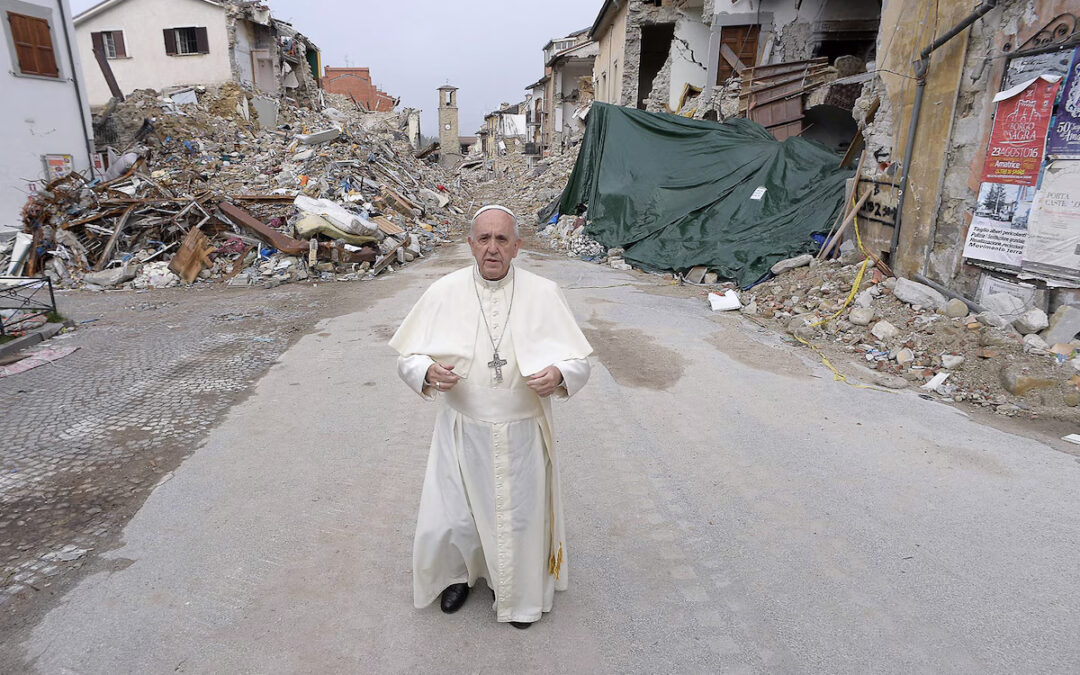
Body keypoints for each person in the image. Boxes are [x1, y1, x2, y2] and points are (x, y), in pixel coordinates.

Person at [389, 205, 592, 629]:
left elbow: (580, 362)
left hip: (523, 431)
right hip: (462, 427)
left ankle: (516, 594)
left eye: (502, 239)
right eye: (484, 239)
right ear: (470, 244)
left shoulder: (544, 293)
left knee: (518, 516)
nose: (492, 248)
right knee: (456, 513)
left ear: (518, 246)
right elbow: (408, 356)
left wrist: (559, 373)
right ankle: (459, 576)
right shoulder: (444, 291)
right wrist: (425, 371)